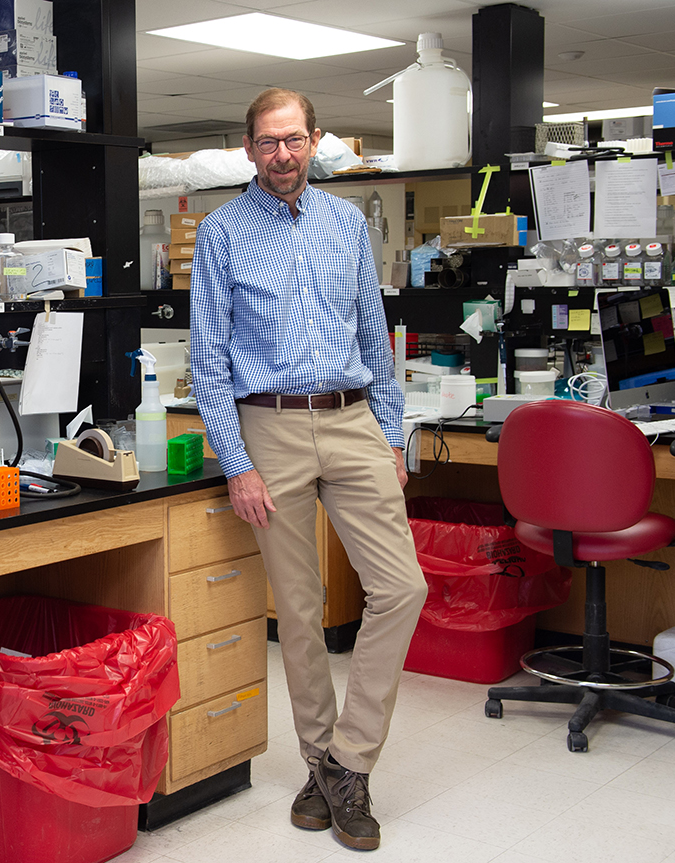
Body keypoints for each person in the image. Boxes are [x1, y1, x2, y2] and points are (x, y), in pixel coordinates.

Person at [189, 88, 426, 852]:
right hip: (271, 427)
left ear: (314, 140)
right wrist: (238, 465)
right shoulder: (221, 234)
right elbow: (207, 362)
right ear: (249, 149)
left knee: (402, 586)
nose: (283, 155)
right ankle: (321, 764)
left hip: (354, 417)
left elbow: (373, 332)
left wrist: (390, 437)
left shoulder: (346, 223)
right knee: (299, 609)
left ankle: (347, 762)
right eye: (268, 142)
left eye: (294, 140)